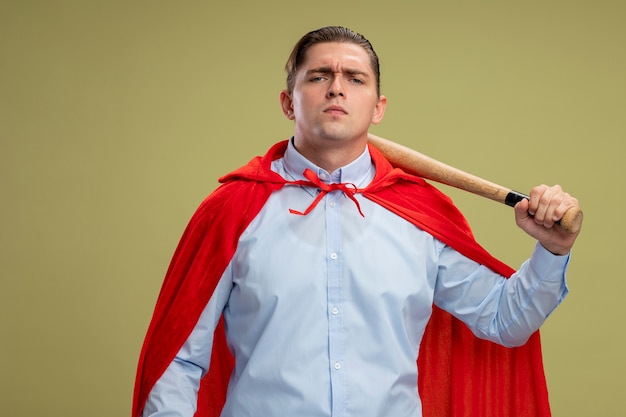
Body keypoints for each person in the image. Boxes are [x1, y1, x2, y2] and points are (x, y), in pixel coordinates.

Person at [132, 26, 581, 417]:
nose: (336, 88)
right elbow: (177, 361)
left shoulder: (419, 215)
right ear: (289, 103)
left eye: (354, 78)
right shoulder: (231, 211)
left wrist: (552, 251)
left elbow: (504, 320)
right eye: (319, 76)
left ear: (378, 107)